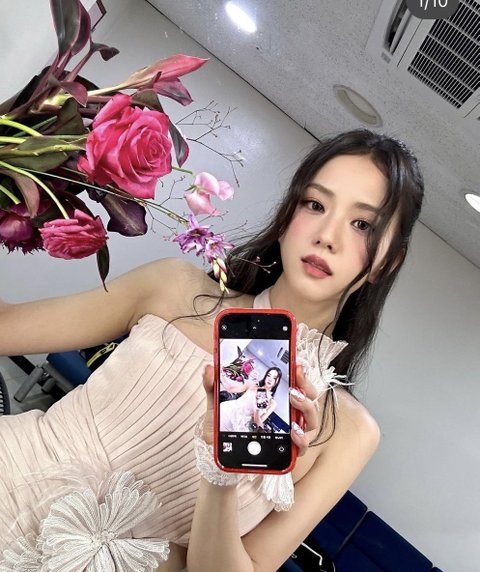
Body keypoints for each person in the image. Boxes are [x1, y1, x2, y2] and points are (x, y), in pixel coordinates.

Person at [0, 128, 424, 572]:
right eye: (315, 204)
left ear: (387, 262)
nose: (327, 235)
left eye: (363, 225)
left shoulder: (348, 432)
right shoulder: (174, 287)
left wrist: (222, 476)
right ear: (287, 215)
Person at [220, 367, 282, 432]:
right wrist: (221, 375)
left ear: (278, 381)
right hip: (228, 412)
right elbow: (230, 389)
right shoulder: (252, 385)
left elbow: (258, 424)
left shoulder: (272, 403)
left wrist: (257, 408)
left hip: (240, 425)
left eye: (274, 378)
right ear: (265, 376)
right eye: (268, 375)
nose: (270, 379)